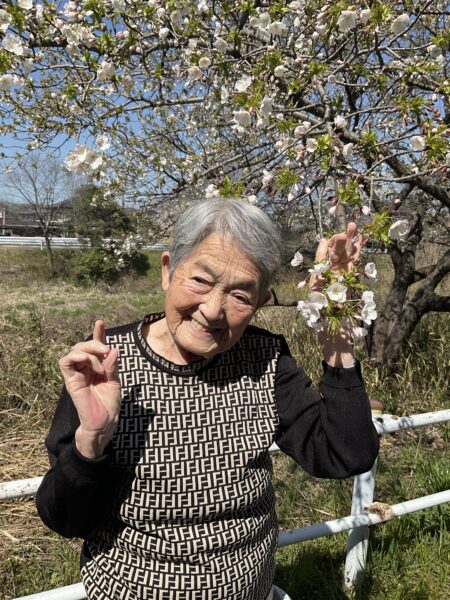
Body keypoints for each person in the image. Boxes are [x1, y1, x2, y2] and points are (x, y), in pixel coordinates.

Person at [36, 198, 379, 600]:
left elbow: (345, 455)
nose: (213, 310)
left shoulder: (263, 357)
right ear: (168, 271)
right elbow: (64, 519)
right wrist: (92, 441)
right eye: (200, 281)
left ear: (261, 303)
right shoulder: (106, 363)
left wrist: (337, 341)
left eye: (240, 296)